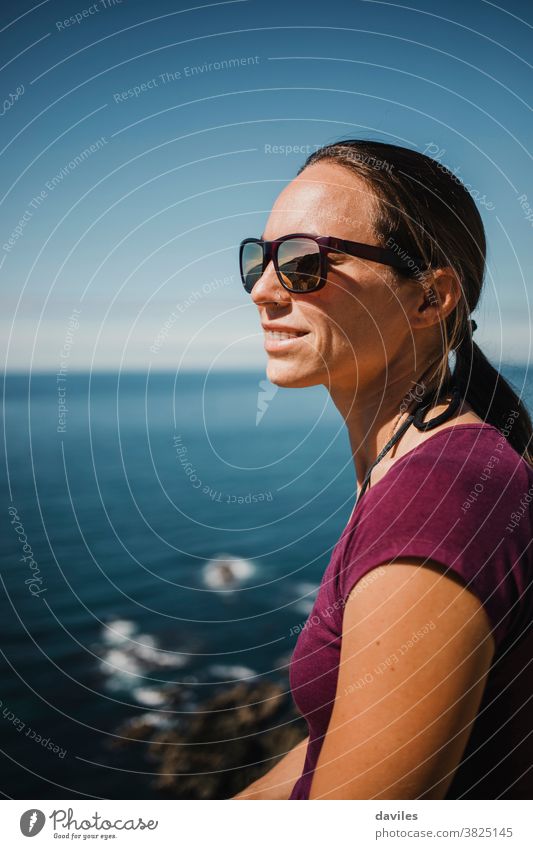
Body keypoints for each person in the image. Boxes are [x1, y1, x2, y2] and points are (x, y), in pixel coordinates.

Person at [234, 139, 533, 799]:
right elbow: (326, 746)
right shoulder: (412, 465)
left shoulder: (440, 497)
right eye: (258, 258)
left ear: (429, 298)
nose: (262, 290)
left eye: (304, 262)